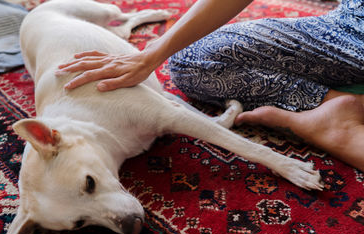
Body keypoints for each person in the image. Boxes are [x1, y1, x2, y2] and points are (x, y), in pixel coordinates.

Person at [57, 0, 364, 172]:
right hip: (349, 21)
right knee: (193, 61)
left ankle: (340, 128)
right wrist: (151, 55)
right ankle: (334, 103)